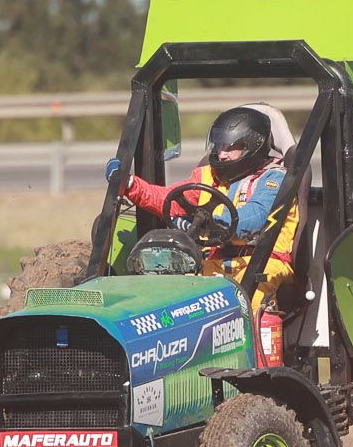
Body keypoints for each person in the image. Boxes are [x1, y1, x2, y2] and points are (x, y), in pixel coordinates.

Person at [121, 104, 303, 353]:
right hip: (214, 262)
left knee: (247, 303)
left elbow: (254, 218)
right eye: (218, 146)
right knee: (175, 299)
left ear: (253, 146)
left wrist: (207, 220)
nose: (221, 154)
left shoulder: (274, 178)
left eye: (230, 148)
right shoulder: (208, 176)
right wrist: (132, 186)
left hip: (262, 263)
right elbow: (170, 199)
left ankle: (257, 375)